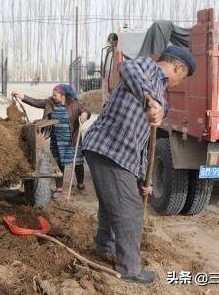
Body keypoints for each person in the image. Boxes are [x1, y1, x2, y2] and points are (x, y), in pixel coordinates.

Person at [82, 45, 196, 283]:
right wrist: (148, 99)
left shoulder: (163, 102)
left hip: (117, 155)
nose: (178, 83)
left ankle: (105, 248)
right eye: (182, 77)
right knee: (131, 211)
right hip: (108, 148)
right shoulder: (148, 69)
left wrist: (144, 179)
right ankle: (129, 269)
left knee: (111, 204)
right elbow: (127, 67)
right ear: (178, 67)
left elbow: (145, 143)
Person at [12, 84, 89, 199]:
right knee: (58, 164)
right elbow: (36, 102)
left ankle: (80, 183)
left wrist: (84, 114)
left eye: (55, 95)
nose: (53, 97)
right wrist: (22, 96)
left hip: (71, 140)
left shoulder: (74, 104)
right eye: (52, 94)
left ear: (63, 96)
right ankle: (59, 188)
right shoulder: (50, 103)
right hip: (57, 140)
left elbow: (85, 111)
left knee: (77, 163)